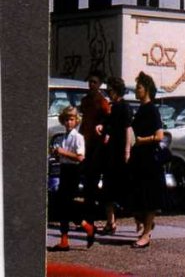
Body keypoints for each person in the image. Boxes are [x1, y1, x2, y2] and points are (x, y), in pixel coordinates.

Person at [49, 106, 96, 251]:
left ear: (76, 121)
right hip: (64, 170)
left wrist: (64, 152)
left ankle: (87, 226)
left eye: (72, 120)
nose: (69, 123)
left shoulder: (78, 137)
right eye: (67, 120)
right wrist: (57, 153)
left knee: (67, 204)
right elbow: (63, 155)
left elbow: (80, 157)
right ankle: (64, 239)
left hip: (73, 171)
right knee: (61, 204)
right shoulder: (63, 137)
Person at [128, 71, 166, 249]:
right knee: (137, 196)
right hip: (139, 159)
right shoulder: (141, 109)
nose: (136, 90)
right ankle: (146, 225)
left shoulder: (152, 109)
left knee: (150, 198)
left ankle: (146, 234)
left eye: (139, 87)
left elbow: (159, 135)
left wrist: (142, 140)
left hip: (150, 159)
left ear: (147, 90)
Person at [97, 76, 132, 235]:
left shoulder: (124, 107)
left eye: (110, 90)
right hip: (110, 151)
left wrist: (127, 150)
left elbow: (127, 130)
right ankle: (110, 222)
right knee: (108, 188)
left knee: (125, 189)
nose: (108, 93)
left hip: (119, 151)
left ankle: (140, 224)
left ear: (116, 90)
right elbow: (109, 125)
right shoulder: (114, 107)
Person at [79, 71, 111, 223]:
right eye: (90, 81)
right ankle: (86, 214)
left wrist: (102, 126)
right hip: (85, 143)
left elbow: (107, 119)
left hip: (96, 146)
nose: (91, 84)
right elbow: (84, 120)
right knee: (86, 181)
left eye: (94, 82)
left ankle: (91, 216)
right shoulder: (85, 101)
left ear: (99, 84)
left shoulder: (102, 101)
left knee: (92, 181)